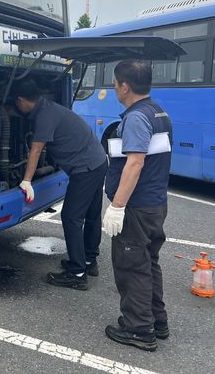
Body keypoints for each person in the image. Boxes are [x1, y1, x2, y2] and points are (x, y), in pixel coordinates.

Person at [102, 59, 171, 352]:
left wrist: (117, 206)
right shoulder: (159, 112)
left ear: (125, 86)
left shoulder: (137, 118)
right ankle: (158, 321)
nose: (115, 88)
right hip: (155, 203)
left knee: (132, 266)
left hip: (137, 207)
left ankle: (139, 329)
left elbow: (135, 162)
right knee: (148, 262)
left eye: (115, 84)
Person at [13, 79, 107, 291]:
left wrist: (26, 181)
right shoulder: (48, 107)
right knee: (92, 214)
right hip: (98, 160)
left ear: (20, 100)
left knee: (71, 216)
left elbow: (36, 150)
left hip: (86, 168)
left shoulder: (44, 116)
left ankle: (77, 273)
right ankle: (89, 261)